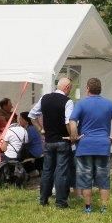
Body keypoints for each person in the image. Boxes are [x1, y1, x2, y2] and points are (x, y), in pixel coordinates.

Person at [68, 77, 112, 214]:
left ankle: (88, 207)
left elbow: (72, 121)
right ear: (100, 89)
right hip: (103, 145)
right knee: (103, 178)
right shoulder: (108, 104)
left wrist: (75, 137)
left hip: (84, 146)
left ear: (87, 88)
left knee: (85, 177)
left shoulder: (81, 104)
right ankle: (104, 208)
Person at [30, 77, 76, 209]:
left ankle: (43, 199)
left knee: (47, 170)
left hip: (49, 141)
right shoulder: (68, 101)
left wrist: (41, 130)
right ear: (67, 87)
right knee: (61, 171)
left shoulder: (44, 98)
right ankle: (61, 202)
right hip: (62, 140)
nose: (70, 92)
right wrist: (72, 136)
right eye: (70, 89)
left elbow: (32, 116)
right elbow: (68, 121)